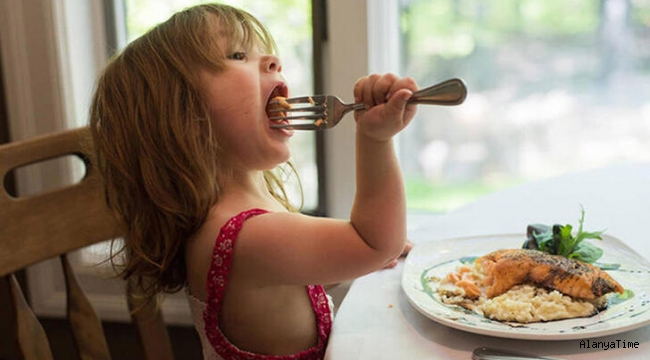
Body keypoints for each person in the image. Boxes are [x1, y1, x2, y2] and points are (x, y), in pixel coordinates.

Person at [89, 3, 417, 359]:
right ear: (185, 117)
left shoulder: (235, 219)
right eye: (237, 54)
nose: (273, 59)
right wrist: (375, 139)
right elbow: (375, 242)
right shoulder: (246, 236)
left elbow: (312, 269)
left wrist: (346, 255)